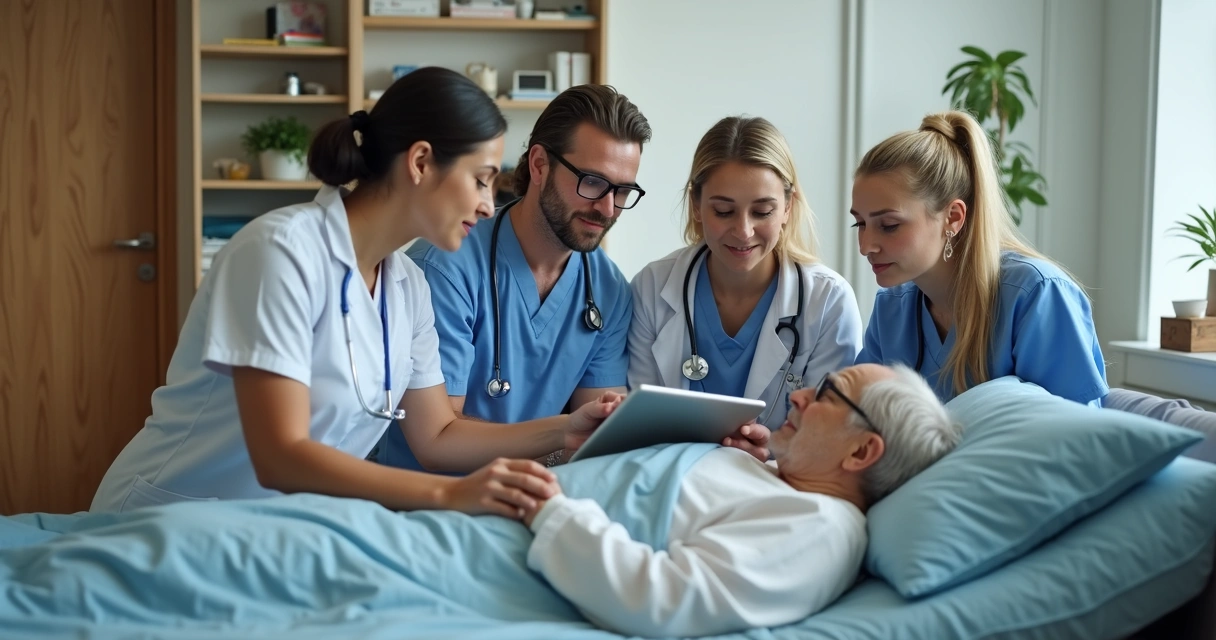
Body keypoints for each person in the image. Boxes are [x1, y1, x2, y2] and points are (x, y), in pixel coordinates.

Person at [19, 364, 962, 638]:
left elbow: (671, 599)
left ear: (864, 452)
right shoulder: (780, 479)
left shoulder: (820, 529)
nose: (796, 396)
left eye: (823, 396)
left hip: (487, 557)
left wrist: (553, 509)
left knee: (200, 560)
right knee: (202, 537)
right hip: (456, 522)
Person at [90, 67, 622, 517]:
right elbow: (280, 455)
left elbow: (437, 435)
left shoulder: (406, 286)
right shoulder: (278, 252)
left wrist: (565, 428)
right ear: (419, 163)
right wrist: (452, 494)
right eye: (481, 179)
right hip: (171, 515)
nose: (488, 204)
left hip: (271, 530)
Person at [374, 83, 651, 471]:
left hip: (535, 496)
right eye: (592, 181)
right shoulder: (445, 267)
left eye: (622, 191)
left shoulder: (609, 291)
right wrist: (559, 442)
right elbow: (438, 443)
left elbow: (595, 439)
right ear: (539, 165)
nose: (607, 207)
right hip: (426, 502)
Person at [628, 116, 864, 448]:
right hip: (674, 480)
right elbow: (638, 424)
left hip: (779, 487)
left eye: (762, 211)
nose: (743, 231)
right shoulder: (653, 287)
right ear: (696, 205)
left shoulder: (828, 302)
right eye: (724, 211)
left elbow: (831, 440)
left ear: (787, 207)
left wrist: (774, 449)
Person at [851, 109, 1108, 406]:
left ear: (953, 218)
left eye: (889, 226)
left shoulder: (1037, 296)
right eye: (860, 224)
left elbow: (1074, 438)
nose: (866, 245)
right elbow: (856, 418)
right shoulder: (892, 310)